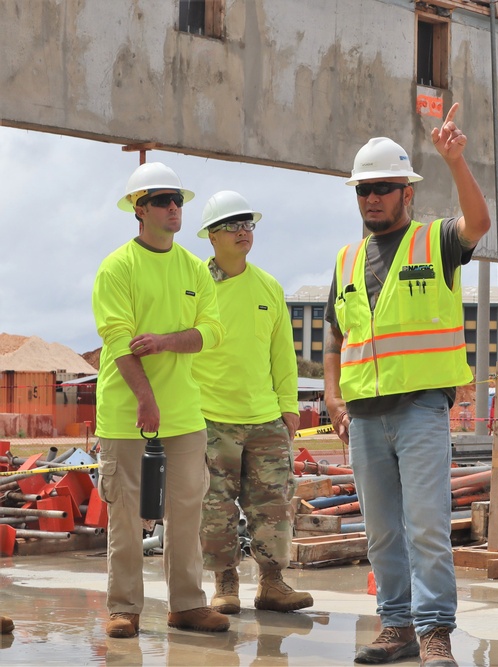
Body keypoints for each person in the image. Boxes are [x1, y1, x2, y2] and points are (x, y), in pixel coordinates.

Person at [324, 103, 490, 667]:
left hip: (420, 410)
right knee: (382, 533)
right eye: (364, 190)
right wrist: (331, 396)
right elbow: (335, 338)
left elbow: (479, 223)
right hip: (365, 416)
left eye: (384, 188)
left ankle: (434, 630)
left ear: (408, 194)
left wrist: (456, 162)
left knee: (425, 527)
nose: (372, 198)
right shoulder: (346, 260)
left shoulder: (435, 242)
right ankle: (395, 627)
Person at [92, 161, 229, 638]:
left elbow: (211, 332)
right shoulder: (117, 268)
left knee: (187, 512)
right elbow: (118, 342)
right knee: (127, 516)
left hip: (185, 414)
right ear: (139, 209)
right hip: (127, 413)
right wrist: (146, 400)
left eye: (178, 200)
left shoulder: (194, 268)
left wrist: (168, 342)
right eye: (163, 201)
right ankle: (125, 608)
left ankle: (188, 604)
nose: (174, 207)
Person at [192, 190, 313, 616]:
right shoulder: (194, 286)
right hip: (210, 418)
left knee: (274, 505)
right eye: (233, 225)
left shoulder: (268, 286)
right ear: (211, 235)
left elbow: (282, 353)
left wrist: (289, 409)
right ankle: (225, 583)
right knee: (216, 507)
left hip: (265, 420)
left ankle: (272, 583)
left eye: (248, 225)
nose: (244, 232)